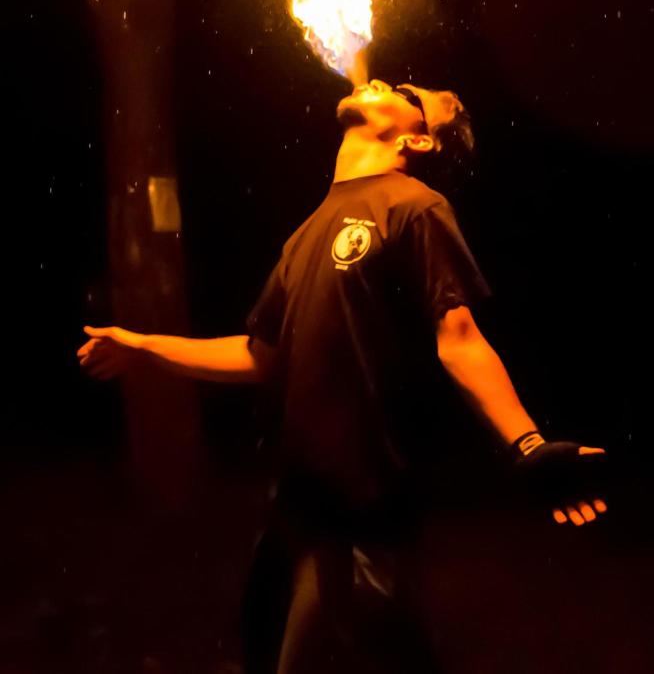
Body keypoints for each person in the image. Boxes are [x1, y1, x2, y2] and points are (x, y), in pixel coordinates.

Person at [79, 79, 607, 673]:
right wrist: (146, 346)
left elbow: (457, 339)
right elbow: (261, 357)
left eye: (410, 93)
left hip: (363, 515)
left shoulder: (415, 207)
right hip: (299, 512)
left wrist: (528, 444)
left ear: (418, 139)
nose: (389, 81)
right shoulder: (306, 232)